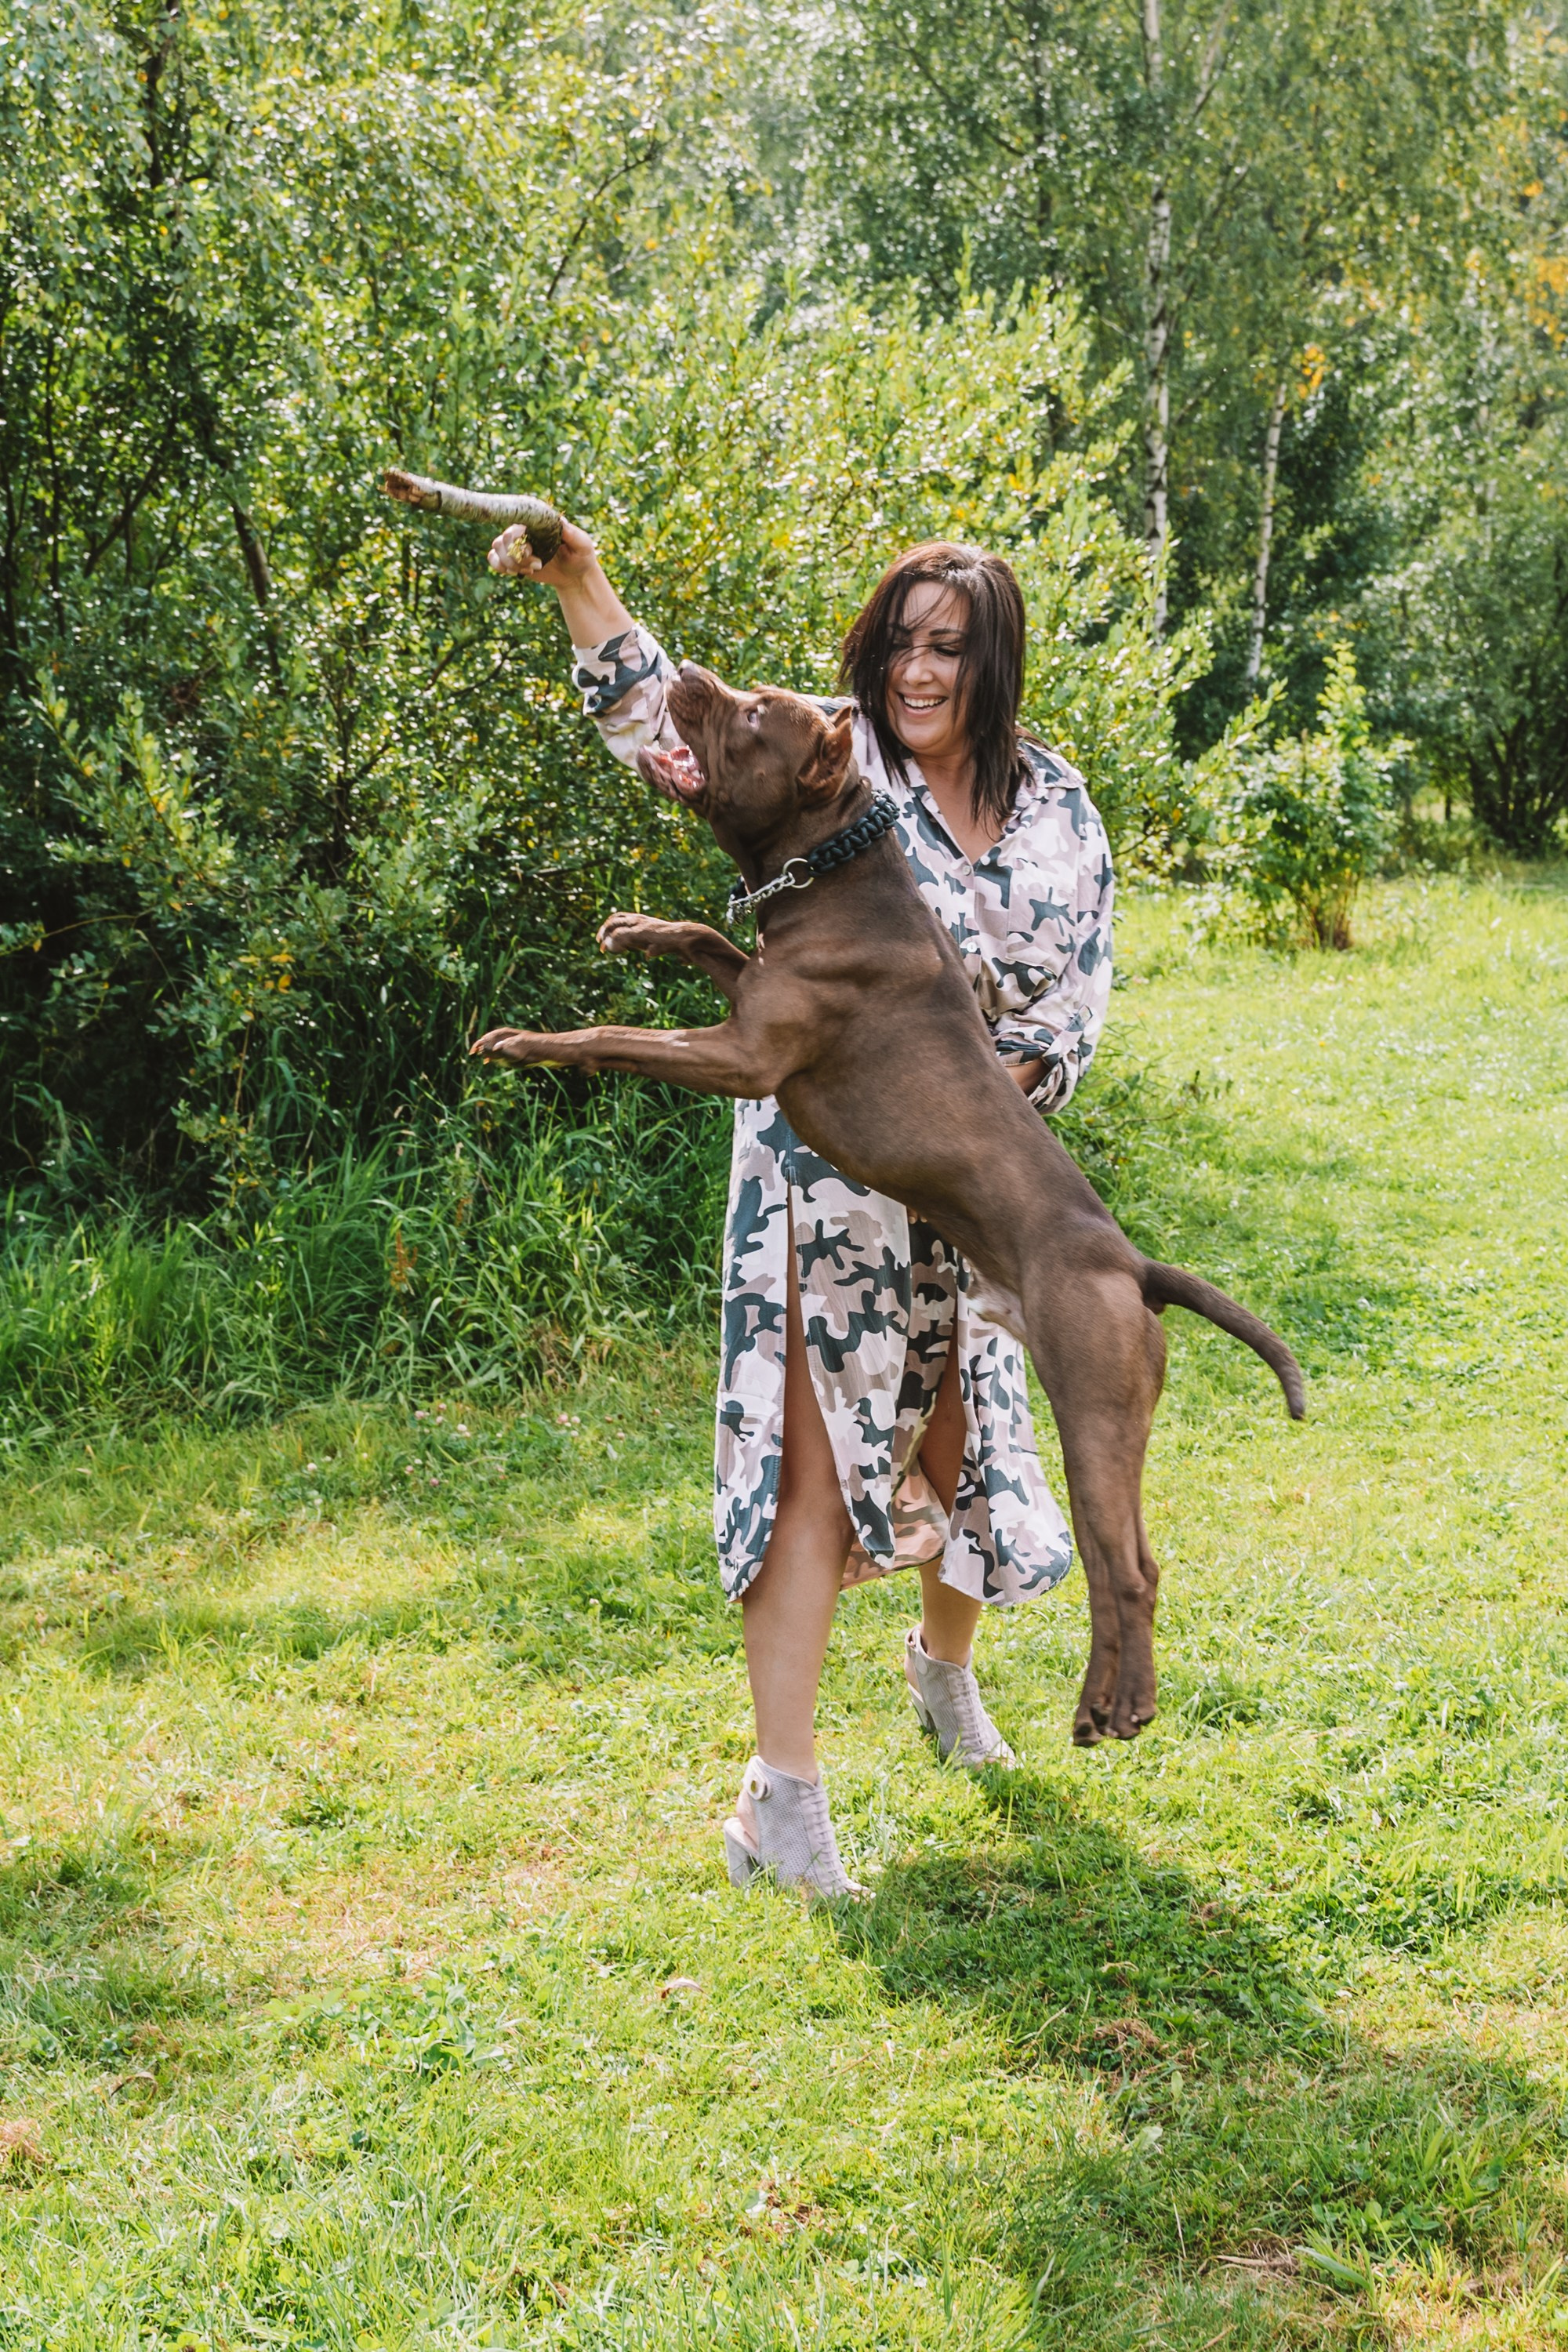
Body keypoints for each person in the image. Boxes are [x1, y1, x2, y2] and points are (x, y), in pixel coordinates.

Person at [489, 517, 1114, 1896]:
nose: (918, 669)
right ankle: (782, 1800)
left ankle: (944, 1677)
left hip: (980, 1182)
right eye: (901, 641)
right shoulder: (836, 762)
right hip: (824, 1177)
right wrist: (581, 582)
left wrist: (1031, 1074)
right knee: (816, 1462)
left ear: (994, 662)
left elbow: (1080, 985)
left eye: (949, 647)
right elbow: (664, 712)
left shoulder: (1059, 803)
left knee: (974, 1440)